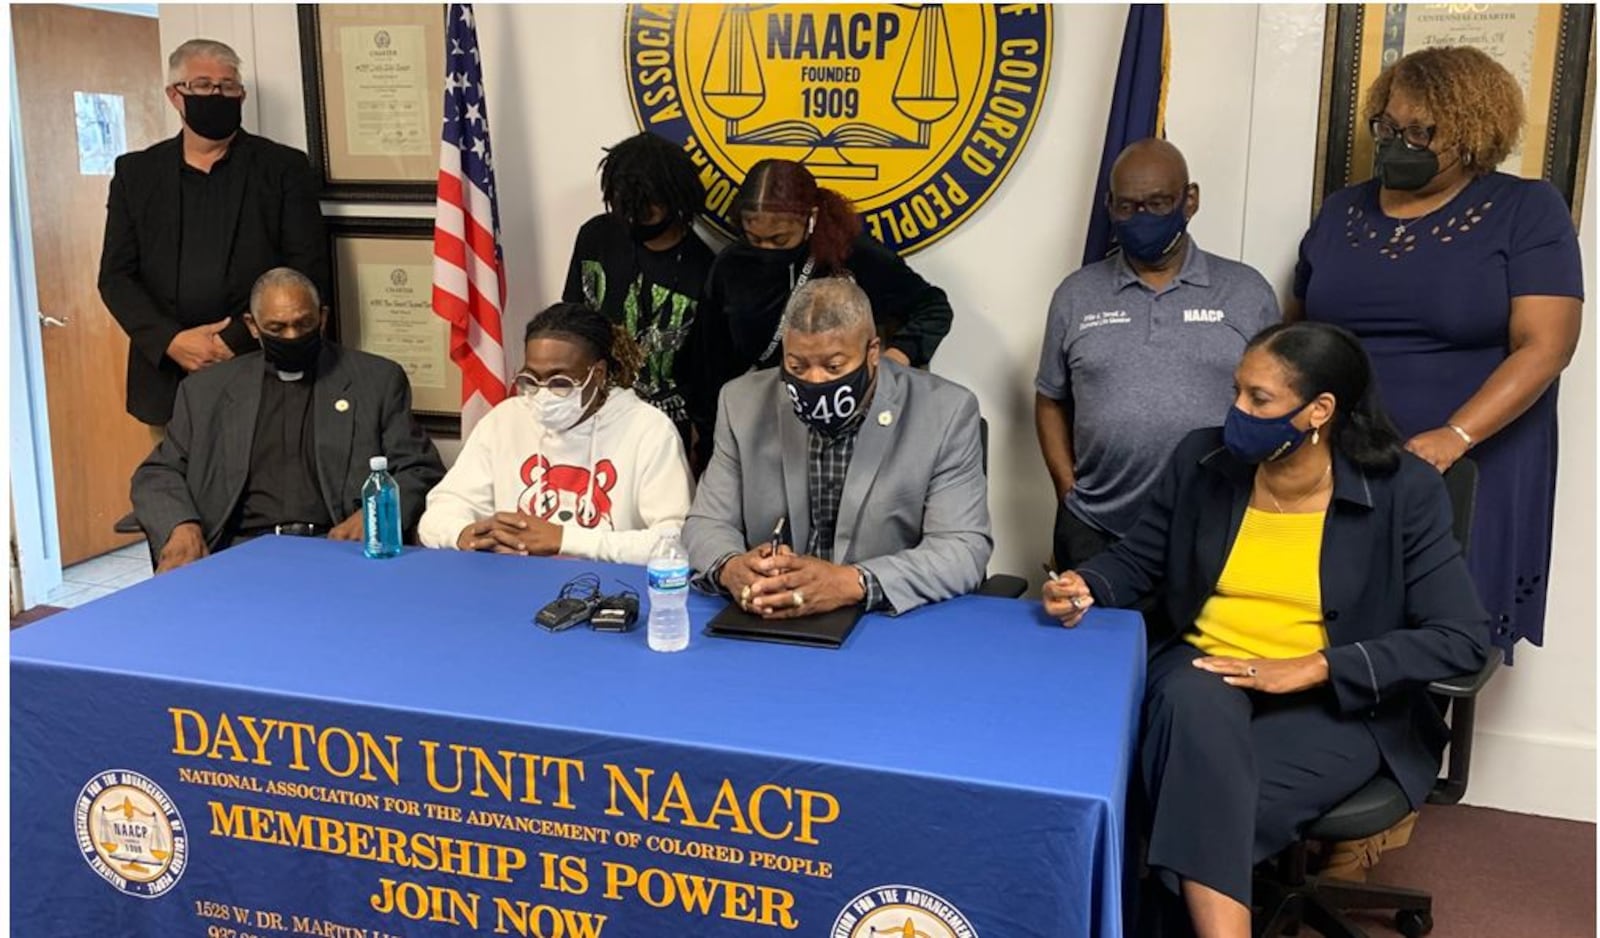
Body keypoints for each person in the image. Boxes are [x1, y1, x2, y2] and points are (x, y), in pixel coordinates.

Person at [1043, 321, 1489, 938]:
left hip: (1338, 706)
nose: (1236, 412)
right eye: (1236, 392)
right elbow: (1140, 557)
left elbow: (1461, 636)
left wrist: (1317, 666)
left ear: (1319, 411)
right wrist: (1087, 583)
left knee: (1197, 807)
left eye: (1260, 399)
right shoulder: (1203, 461)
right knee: (1192, 702)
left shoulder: (1402, 490)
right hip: (1205, 676)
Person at [1290, 46, 1583, 662]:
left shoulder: (1526, 210)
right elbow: (1299, 332)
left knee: (1436, 641)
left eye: (1422, 132)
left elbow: (1547, 346)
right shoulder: (1342, 211)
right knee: (1326, 631)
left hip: (1469, 462)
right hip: (1343, 461)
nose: (1400, 144)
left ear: (1474, 132)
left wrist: (1453, 436)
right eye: (1389, 128)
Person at [1036, 138, 1279, 570]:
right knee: (1096, 639)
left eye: (1158, 203)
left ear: (1190, 200)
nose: (1140, 217)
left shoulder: (1246, 291)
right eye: (1127, 207)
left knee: (1198, 640)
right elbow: (1050, 399)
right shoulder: (1076, 295)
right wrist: (1066, 488)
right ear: (1109, 205)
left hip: (1215, 522)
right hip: (1096, 525)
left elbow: (1278, 403)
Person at [684, 276, 990, 617]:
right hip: (771, 616)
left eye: (833, 366)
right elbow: (705, 523)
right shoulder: (742, 403)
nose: (814, 381)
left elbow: (962, 549)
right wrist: (733, 567)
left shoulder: (945, 413)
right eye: (797, 366)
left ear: (872, 352)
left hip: (884, 621)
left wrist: (850, 582)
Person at [132, 269, 445, 572]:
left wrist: (373, 516)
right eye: (277, 328)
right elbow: (158, 472)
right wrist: (181, 526)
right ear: (252, 326)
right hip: (239, 552)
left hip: (338, 550)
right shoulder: (206, 390)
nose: (292, 336)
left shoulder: (375, 381)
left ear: (322, 318)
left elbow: (419, 469)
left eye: (304, 324)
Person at [99, 38, 329, 429]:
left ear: (241, 95)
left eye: (228, 86)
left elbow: (306, 268)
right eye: (203, 85)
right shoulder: (135, 174)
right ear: (176, 95)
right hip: (167, 380)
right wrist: (172, 341)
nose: (217, 94)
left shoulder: (283, 168)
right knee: (172, 488)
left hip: (261, 366)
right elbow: (116, 277)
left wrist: (234, 340)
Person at [685, 159, 954, 467]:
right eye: (754, 238)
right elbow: (708, 361)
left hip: (846, 421)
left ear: (811, 219)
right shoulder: (731, 265)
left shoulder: (849, 254)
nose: (767, 249)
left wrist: (895, 358)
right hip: (765, 423)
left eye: (780, 239)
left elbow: (933, 307)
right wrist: (709, 440)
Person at [417, 302, 693, 565]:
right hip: (512, 582)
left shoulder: (649, 430)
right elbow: (439, 513)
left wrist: (563, 539)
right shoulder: (505, 419)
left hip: (610, 590)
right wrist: (467, 535)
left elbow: (675, 542)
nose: (543, 393)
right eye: (531, 380)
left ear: (597, 375)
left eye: (560, 381)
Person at [562, 132, 716, 453]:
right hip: (594, 417)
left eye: (647, 209)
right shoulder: (596, 236)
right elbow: (571, 324)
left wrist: (699, 441)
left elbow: (707, 372)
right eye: (624, 206)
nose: (633, 218)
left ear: (675, 200)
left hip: (667, 428)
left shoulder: (704, 266)